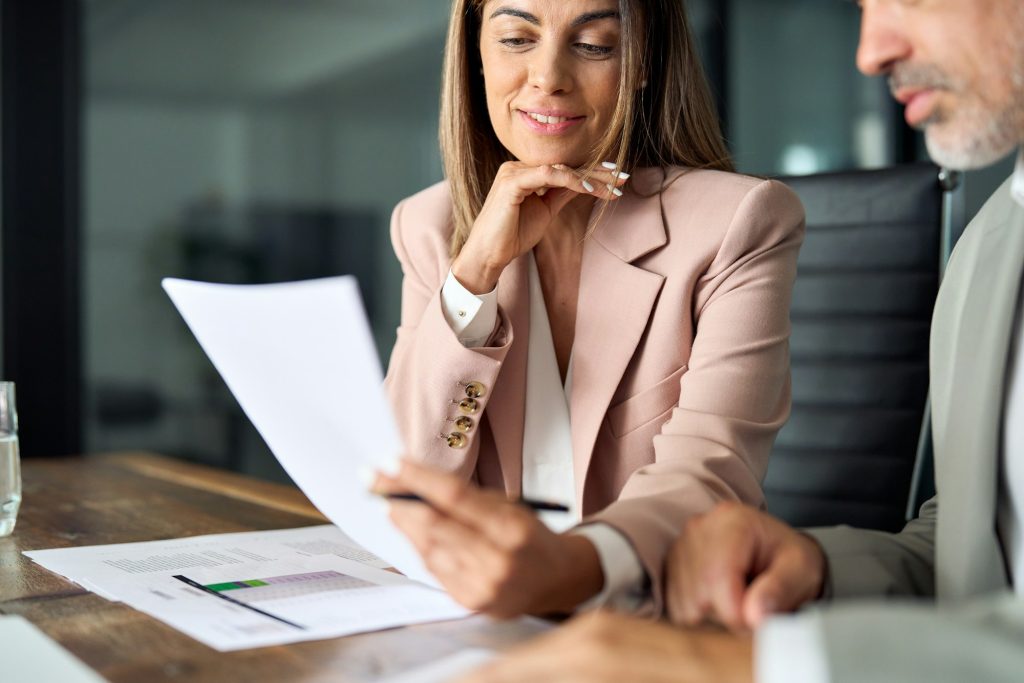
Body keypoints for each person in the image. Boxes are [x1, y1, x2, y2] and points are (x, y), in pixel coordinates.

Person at [458, 0, 1024, 680]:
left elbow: (704, 469)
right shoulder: (994, 244)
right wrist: (815, 567)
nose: (869, 53)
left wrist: (739, 660)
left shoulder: (740, 221)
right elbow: (974, 561)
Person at [378, 0, 805, 618]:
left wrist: (572, 572)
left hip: (650, 623)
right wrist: (473, 277)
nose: (548, 75)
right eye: (517, 39)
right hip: (473, 624)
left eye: (596, 44)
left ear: (642, 64)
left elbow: (709, 477)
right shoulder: (429, 226)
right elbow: (404, 489)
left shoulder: (740, 223)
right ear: (476, 56)